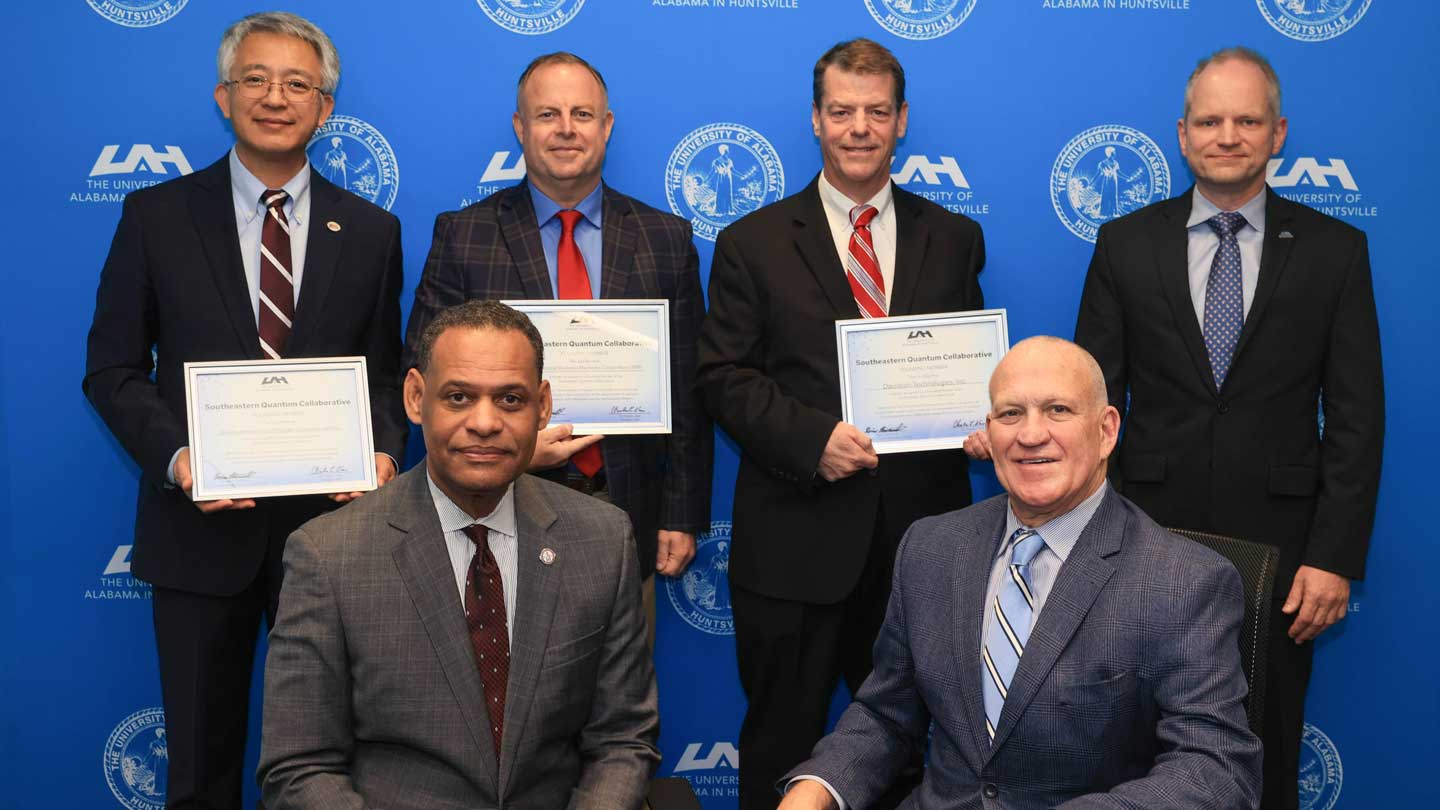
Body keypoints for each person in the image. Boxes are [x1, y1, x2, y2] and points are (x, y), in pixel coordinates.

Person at [81, 12, 407, 808]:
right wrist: (179, 458)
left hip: (332, 539)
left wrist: (387, 452)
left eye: (298, 83)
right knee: (199, 766)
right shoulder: (155, 216)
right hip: (198, 534)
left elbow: (385, 376)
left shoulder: (370, 230)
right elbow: (113, 368)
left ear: (325, 109)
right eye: (256, 79)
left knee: (333, 763)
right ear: (223, 96)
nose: (275, 96)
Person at [1072, 46, 1384, 810]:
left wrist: (1334, 557)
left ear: (1279, 134)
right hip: (1142, 540)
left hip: (1282, 554)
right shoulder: (1124, 243)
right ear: (1182, 135)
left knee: (1266, 748)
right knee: (1134, 750)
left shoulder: (1335, 252)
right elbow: (1091, 405)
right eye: (1210, 120)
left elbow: (1356, 414)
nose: (1228, 135)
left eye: (1247, 120)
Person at [780, 337, 1262, 810]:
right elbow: (887, 715)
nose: (1030, 435)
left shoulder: (1184, 580)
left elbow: (1215, 767)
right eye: (1011, 414)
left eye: (1058, 410)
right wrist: (819, 788)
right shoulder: (929, 548)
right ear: (989, 431)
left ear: (1106, 430)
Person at [695, 38, 985, 809]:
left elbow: (967, 368)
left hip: (920, 548)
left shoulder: (953, 238)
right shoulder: (752, 242)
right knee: (782, 750)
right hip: (795, 545)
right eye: (842, 111)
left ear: (902, 121)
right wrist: (809, 440)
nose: (860, 127)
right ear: (816, 120)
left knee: (916, 757)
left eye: (877, 112)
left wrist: (989, 418)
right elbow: (721, 376)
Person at [260, 300, 659, 809]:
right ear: (414, 397)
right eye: (458, 397)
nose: (485, 422)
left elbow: (622, 740)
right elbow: (299, 765)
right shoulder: (328, 555)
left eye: (511, 400)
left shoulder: (602, 539)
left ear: (543, 405)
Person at [403, 53, 711, 642]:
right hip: (493, 510)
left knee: (619, 703)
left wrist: (680, 513)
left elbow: (688, 389)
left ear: (607, 126)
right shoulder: (463, 235)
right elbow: (422, 378)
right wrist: (516, 451)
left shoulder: (664, 238)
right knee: (498, 696)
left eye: (582, 114)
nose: (566, 128)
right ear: (520, 128)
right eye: (547, 114)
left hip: (628, 512)